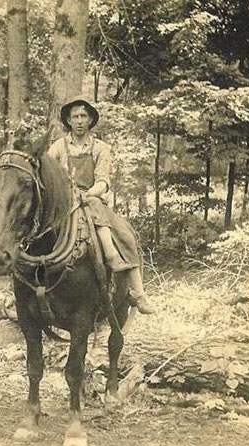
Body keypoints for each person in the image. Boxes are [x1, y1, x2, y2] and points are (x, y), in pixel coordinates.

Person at [45, 97, 156, 314]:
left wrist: (86, 194)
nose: (78, 121)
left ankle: (137, 290)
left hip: (91, 198)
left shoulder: (101, 148)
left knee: (124, 233)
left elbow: (103, 182)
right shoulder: (58, 147)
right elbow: (47, 174)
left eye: (83, 116)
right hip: (63, 201)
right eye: (74, 116)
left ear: (90, 120)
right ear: (68, 120)